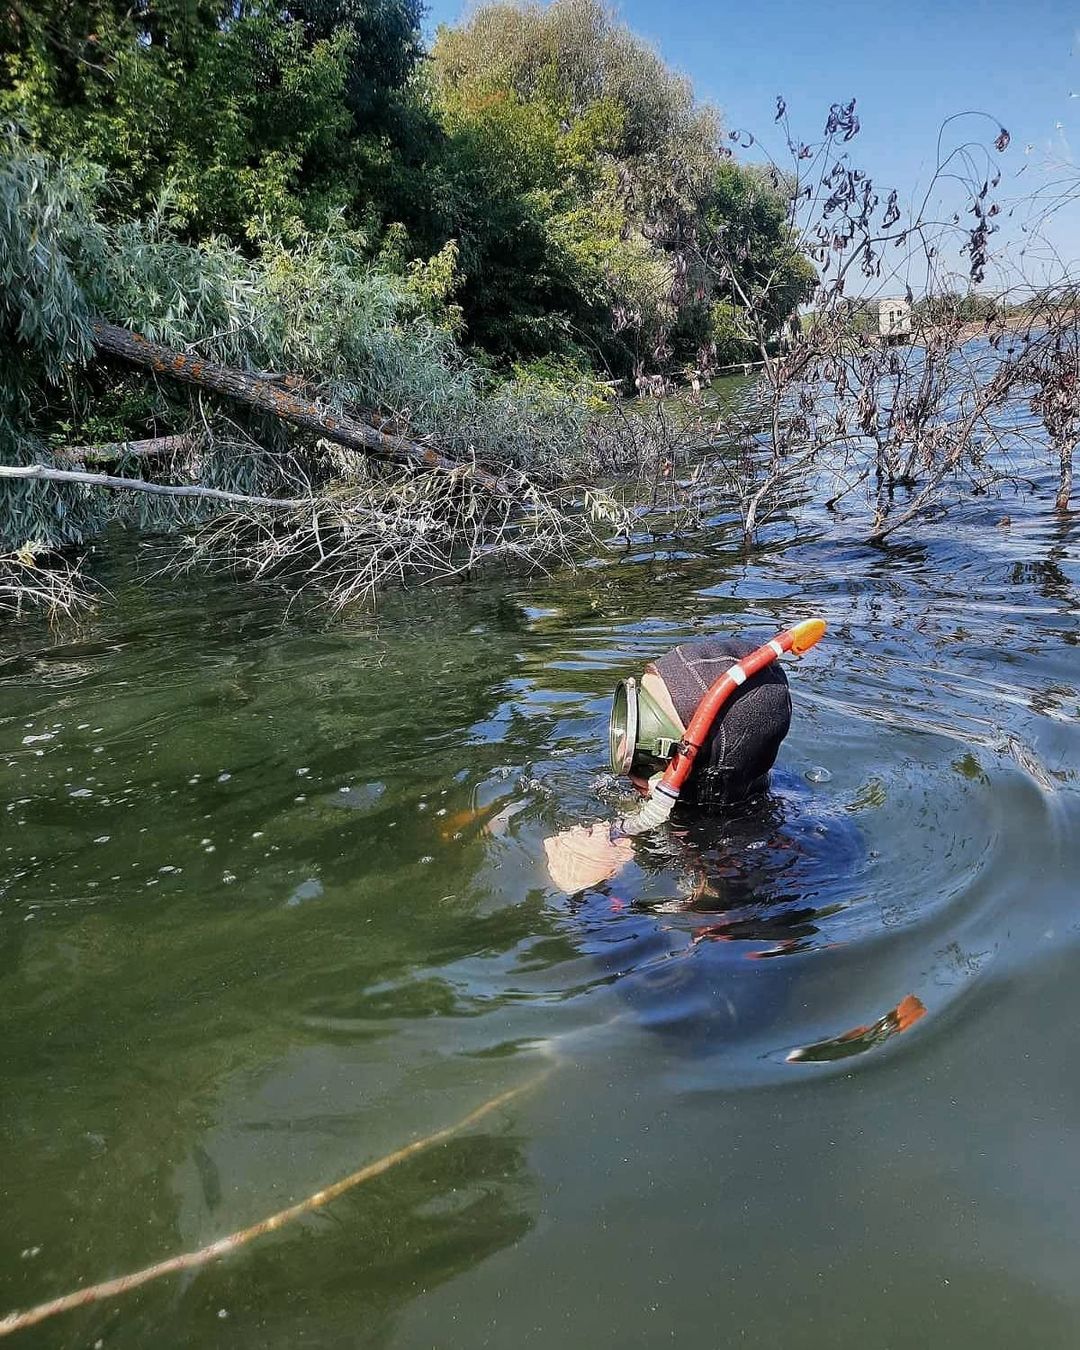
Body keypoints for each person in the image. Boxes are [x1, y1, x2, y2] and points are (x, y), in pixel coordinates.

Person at [544, 635, 795, 895]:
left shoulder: (740, 869)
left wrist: (587, 891)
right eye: (637, 714)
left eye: (647, 738)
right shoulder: (719, 792)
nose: (622, 751)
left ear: (706, 770)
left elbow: (664, 932)